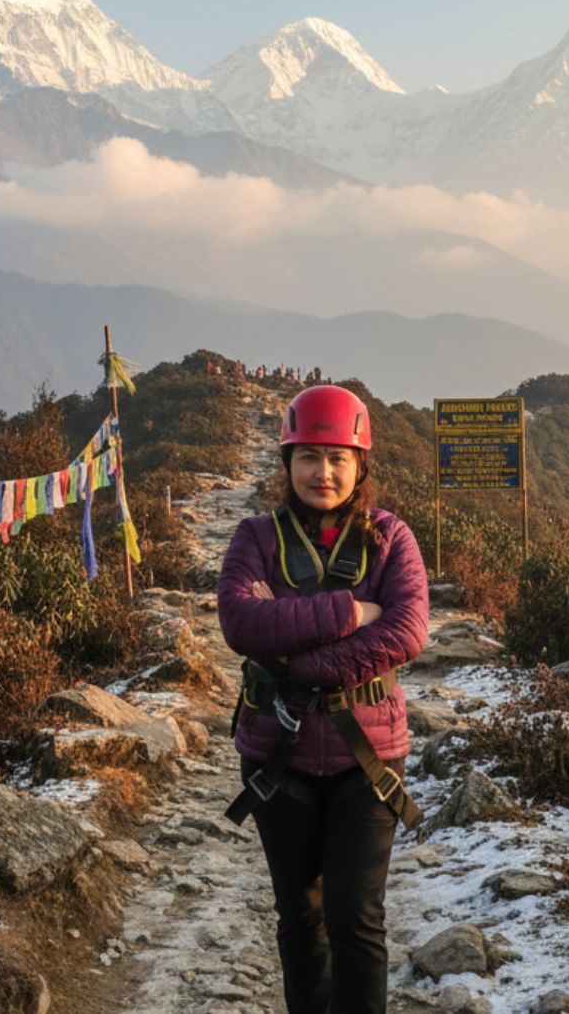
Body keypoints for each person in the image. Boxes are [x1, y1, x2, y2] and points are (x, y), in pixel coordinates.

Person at [217, 384, 429, 1014]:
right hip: (276, 756)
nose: (323, 472)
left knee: (357, 918)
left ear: (360, 464)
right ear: (287, 463)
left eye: (338, 457)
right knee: (299, 916)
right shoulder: (255, 537)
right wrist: (348, 609)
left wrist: (300, 663)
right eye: (309, 456)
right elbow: (241, 623)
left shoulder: (391, 539)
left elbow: (407, 628)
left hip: (366, 759)